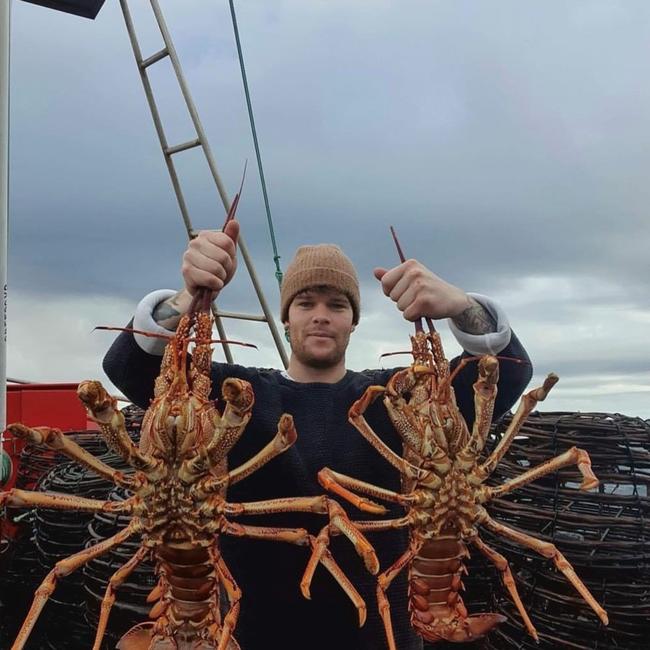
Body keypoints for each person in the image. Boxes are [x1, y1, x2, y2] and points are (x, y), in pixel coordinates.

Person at [103, 220, 532, 650]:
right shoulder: (235, 397)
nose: (321, 315)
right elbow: (128, 367)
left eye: (337, 304)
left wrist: (460, 306)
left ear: (353, 321)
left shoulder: (397, 397)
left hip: (382, 639)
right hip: (249, 637)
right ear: (286, 317)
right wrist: (185, 297)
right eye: (305, 303)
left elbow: (503, 376)